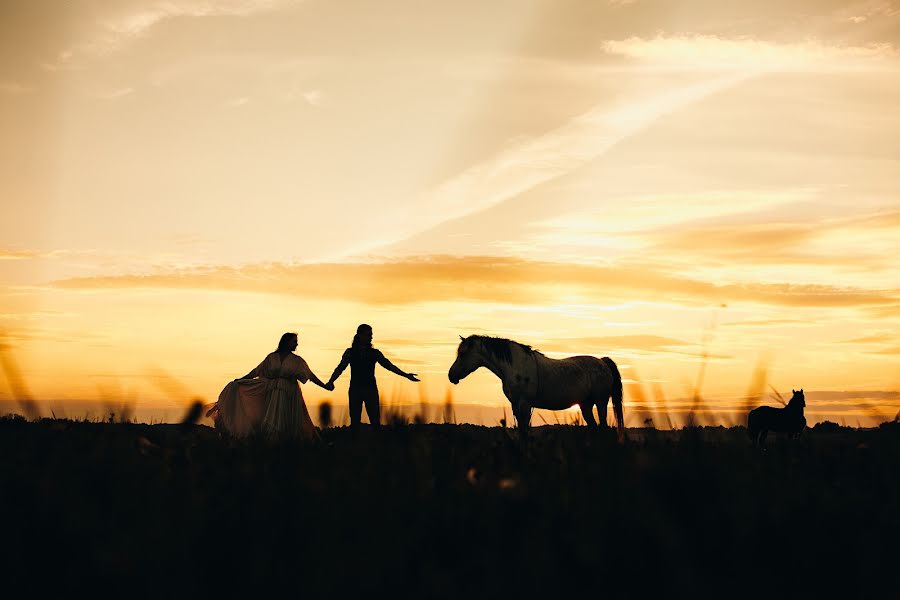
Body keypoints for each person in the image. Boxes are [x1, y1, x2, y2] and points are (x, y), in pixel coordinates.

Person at [209, 332, 328, 440]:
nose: (296, 344)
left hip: (289, 395)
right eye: (294, 341)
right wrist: (242, 379)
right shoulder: (272, 357)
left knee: (287, 426)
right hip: (273, 394)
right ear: (286, 342)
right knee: (272, 424)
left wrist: (325, 386)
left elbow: (310, 375)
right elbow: (256, 371)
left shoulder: (297, 361)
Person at [326, 324, 419, 429]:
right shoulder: (350, 352)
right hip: (356, 390)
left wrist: (406, 375)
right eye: (368, 335)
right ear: (360, 335)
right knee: (355, 422)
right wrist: (331, 381)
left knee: (375, 421)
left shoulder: (374, 353)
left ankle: (375, 443)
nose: (371, 337)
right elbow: (340, 368)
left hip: (370, 390)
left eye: (371, 335)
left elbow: (389, 366)